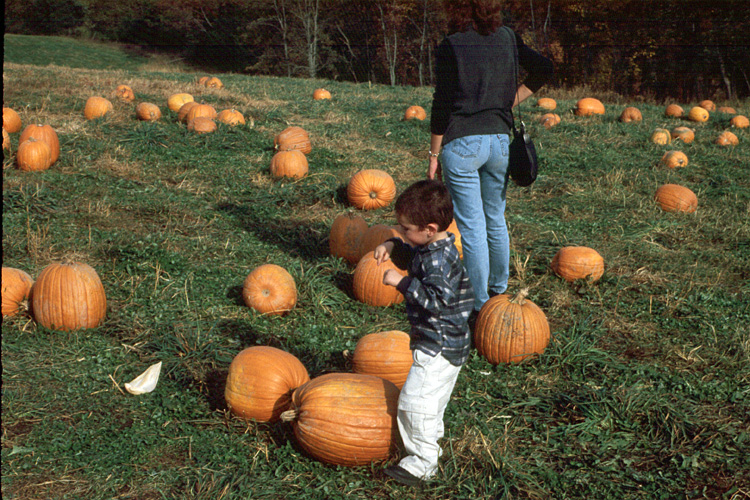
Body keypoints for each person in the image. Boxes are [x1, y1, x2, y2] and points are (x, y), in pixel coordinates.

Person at [428, 0, 554, 314]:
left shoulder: (452, 45)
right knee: (495, 219)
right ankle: (499, 289)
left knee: (471, 227)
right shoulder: (509, 37)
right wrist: (508, 101)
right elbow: (544, 68)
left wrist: (433, 154)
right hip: (499, 142)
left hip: (462, 146)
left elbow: (442, 104)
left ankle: (481, 305)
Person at [373, 179, 474, 486]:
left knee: (414, 402)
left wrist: (400, 283)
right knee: (432, 401)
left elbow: (437, 301)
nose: (402, 232)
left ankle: (421, 463)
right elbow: (415, 256)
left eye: (405, 229)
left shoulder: (438, 261)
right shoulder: (434, 247)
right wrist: (393, 246)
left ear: (429, 229)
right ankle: (429, 440)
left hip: (438, 344)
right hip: (450, 342)